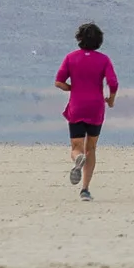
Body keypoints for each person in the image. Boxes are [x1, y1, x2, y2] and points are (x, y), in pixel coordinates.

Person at [56, 21, 119, 199]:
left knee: (77, 147)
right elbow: (113, 83)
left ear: (79, 39)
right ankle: (85, 189)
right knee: (91, 147)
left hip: (77, 107)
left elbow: (59, 82)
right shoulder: (104, 60)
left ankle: (77, 159)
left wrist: (72, 88)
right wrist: (111, 100)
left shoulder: (70, 58)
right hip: (96, 108)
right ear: (99, 41)